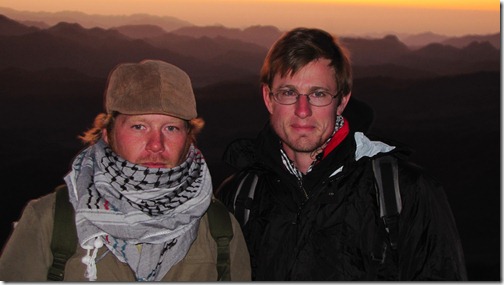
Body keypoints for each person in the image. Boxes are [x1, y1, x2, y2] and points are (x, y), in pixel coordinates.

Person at [216, 27, 467, 281]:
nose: (303, 110)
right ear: (269, 99)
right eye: (289, 93)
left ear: (343, 101)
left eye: (318, 94)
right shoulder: (238, 198)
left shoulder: (403, 193)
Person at [0, 59, 251, 281]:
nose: (156, 145)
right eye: (139, 126)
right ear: (107, 133)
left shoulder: (221, 232)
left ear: (189, 138)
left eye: (171, 128)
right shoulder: (49, 222)